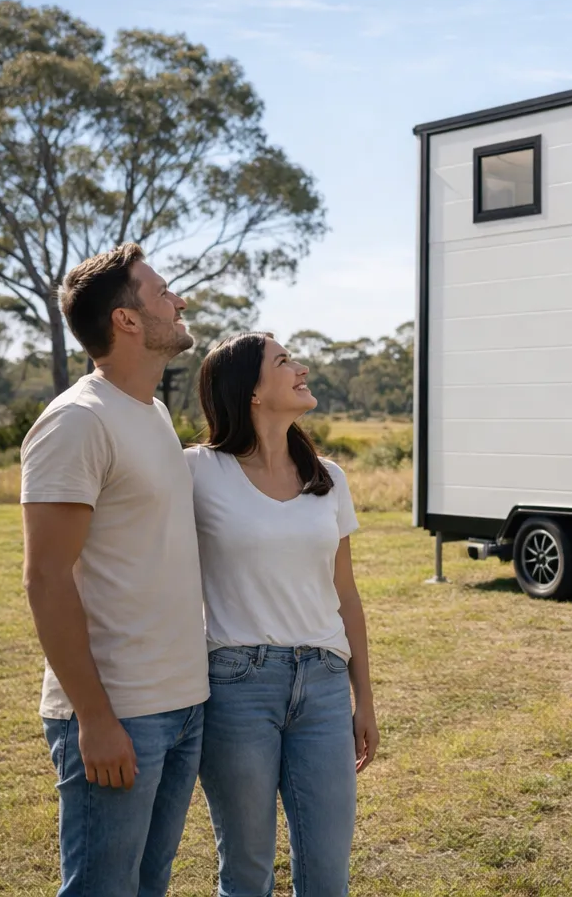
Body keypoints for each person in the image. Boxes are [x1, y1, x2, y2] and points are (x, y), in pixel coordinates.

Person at [19, 243, 207, 897]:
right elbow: (46, 578)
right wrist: (95, 718)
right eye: (161, 293)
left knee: (147, 888)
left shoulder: (152, 412)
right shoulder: (77, 422)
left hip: (182, 703)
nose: (179, 300)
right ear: (126, 320)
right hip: (120, 713)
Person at [187, 332, 378, 897]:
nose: (300, 368)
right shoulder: (196, 472)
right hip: (235, 686)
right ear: (249, 390)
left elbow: (346, 593)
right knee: (247, 872)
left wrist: (363, 696)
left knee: (327, 874)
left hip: (322, 685)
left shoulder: (329, 478)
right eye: (284, 361)